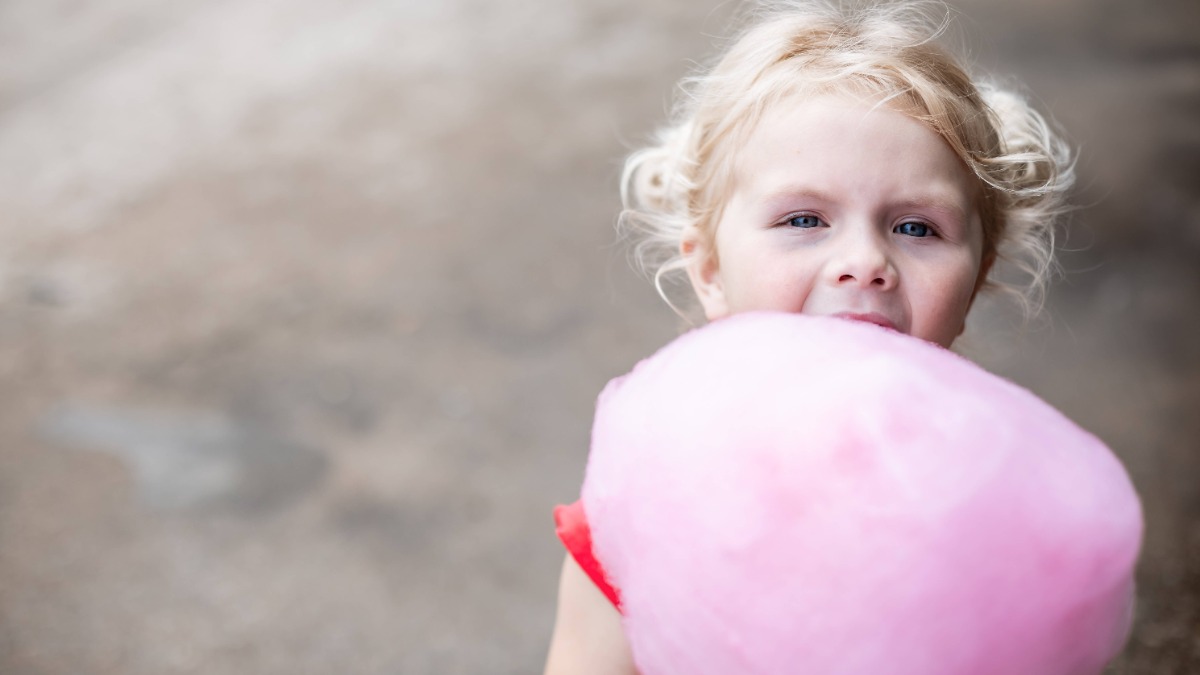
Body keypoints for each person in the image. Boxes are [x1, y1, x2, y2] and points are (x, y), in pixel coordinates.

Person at [544, 1, 1074, 672]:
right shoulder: (637, 518)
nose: (866, 261)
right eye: (803, 218)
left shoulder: (1000, 508)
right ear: (708, 269)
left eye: (916, 227)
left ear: (978, 276)